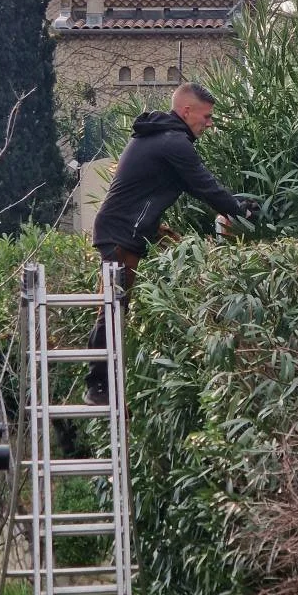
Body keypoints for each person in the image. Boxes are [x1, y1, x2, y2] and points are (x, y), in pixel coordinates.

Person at [84, 81, 253, 405]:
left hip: (126, 230)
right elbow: (206, 187)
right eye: (206, 117)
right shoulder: (173, 143)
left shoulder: (158, 137)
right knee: (113, 308)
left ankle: (101, 384)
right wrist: (240, 211)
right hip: (122, 234)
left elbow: (190, 188)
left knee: (113, 306)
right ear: (186, 110)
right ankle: (98, 386)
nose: (209, 123)